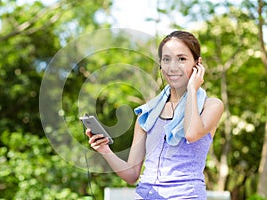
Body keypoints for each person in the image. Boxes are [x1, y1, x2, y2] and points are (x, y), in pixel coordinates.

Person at [85, 30, 224, 199]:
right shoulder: (147, 113)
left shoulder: (211, 105)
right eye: (167, 59)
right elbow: (132, 174)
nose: (173, 67)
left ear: (197, 63)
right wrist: (104, 149)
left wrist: (192, 90)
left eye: (181, 59)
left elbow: (192, 133)